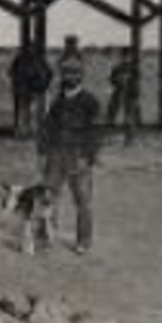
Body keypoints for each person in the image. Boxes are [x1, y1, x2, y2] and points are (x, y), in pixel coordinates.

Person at [39, 59, 101, 254]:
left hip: (78, 156)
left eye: (74, 73)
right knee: (49, 196)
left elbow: (95, 133)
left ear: (81, 76)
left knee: (83, 200)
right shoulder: (57, 102)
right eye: (66, 73)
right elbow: (47, 129)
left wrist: (88, 156)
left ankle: (83, 241)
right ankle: (47, 236)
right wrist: (43, 153)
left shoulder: (90, 102)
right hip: (56, 155)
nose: (69, 77)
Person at [107, 47, 142, 145]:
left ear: (130, 57)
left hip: (130, 94)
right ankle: (110, 137)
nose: (126, 58)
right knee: (111, 114)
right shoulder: (117, 68)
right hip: (118, 92)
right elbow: (111, 80)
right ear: (121, 56)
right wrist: (118, 81)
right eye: (124, 56)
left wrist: (135, 93)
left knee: (129, 116)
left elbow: (136, 82)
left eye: (128, 56)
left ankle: (129, 139)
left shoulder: (134, 68)